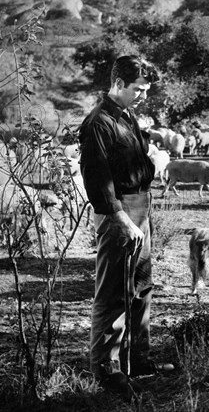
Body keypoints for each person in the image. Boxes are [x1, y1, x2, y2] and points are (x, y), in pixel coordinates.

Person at [79, 55, 173, 396]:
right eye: (139, 89)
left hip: (140, 208)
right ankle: (107, 370)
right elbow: (97, 179)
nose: (144, 95)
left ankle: (137, 360)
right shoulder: (98, 123)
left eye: (146, 90)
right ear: (118, 84)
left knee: (141, 286)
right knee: (113, 292)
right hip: (119, 213)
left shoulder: (128, 116)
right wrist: (121, 219)